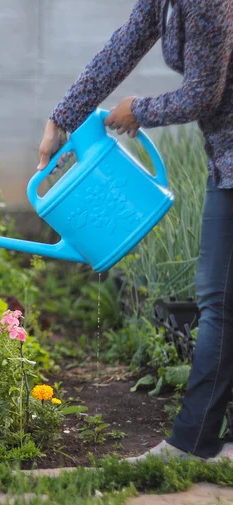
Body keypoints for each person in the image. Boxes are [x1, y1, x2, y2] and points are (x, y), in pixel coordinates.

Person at [38, 0, 233, 462]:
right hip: (224, 157)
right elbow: (124, 45)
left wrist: (139, 110)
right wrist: (60, 120)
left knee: (218, 302)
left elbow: (204, 93)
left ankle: (192, 443)